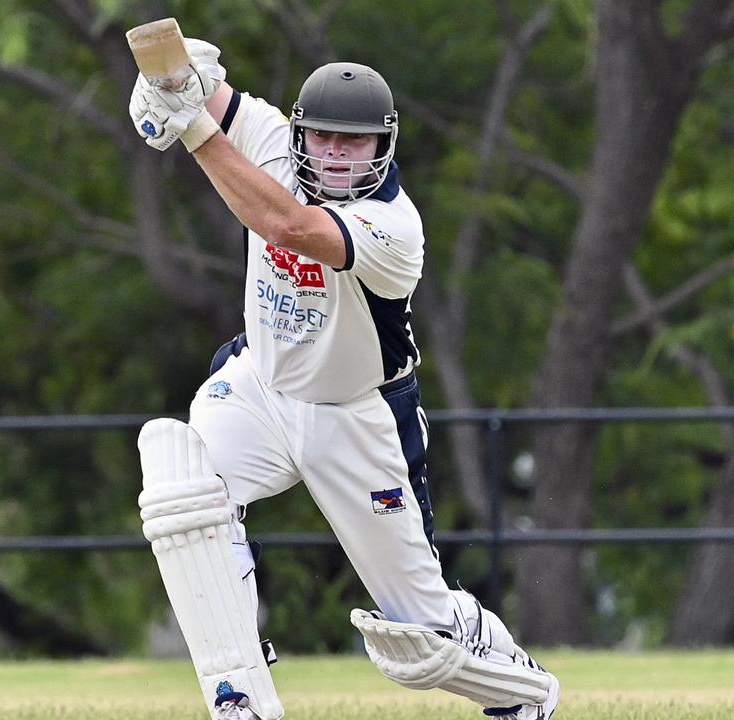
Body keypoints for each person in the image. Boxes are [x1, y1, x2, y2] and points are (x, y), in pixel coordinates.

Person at [128, 38, 560, 720]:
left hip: (358, 419)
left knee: (421, 642)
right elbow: (204, 97)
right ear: (300, 132)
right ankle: (238, 693)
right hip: (259, 390)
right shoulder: (269, 137)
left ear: (383, 147)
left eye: (353, 143)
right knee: (185, 490)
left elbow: (287, 225)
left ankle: (520, 684)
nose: (334, 152)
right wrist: (173, 77)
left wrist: (192, 128)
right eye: (322, 136)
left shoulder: (395, 227)